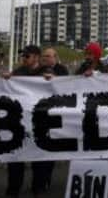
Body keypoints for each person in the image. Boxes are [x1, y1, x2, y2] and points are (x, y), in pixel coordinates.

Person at [2, 45, 50, 197]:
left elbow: (59, 86)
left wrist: (53, 80)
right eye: (23, 56)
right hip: (20, 121)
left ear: (36, 57)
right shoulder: (18, 72)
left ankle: (38, 187)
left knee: (39, 156)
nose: (23, 59)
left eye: (27, 56)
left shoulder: (46, 72)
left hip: (40, 120)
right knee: (16, 156)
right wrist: (7, 79)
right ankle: (13, 188)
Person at [34, 48, 70, 192]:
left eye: (49, 56)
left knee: (49, 151)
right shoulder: (37, 70)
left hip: (55, 115)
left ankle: (45, 179)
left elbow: (68, 86)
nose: (46, 59)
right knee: (37, 151)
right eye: (44, 56)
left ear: (55, 58)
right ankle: (38, 182)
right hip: (38, 115)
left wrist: (55, 80)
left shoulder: (62, 70)